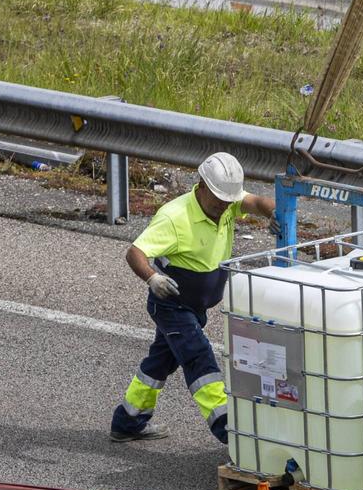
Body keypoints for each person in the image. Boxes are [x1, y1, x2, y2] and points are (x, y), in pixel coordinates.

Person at [111, 152, 274, 445]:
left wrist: (276, 214)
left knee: (159, 363)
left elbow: (259, 203)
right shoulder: (175, 217)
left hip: (195, 305)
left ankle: (128, 420)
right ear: (201, 185)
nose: (225, 206)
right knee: (199, 358)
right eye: (219, 199)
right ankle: (230, 432)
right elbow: (134, 252)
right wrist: (153, 278)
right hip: (172, 304)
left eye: (229, 200)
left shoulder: (226, 201)